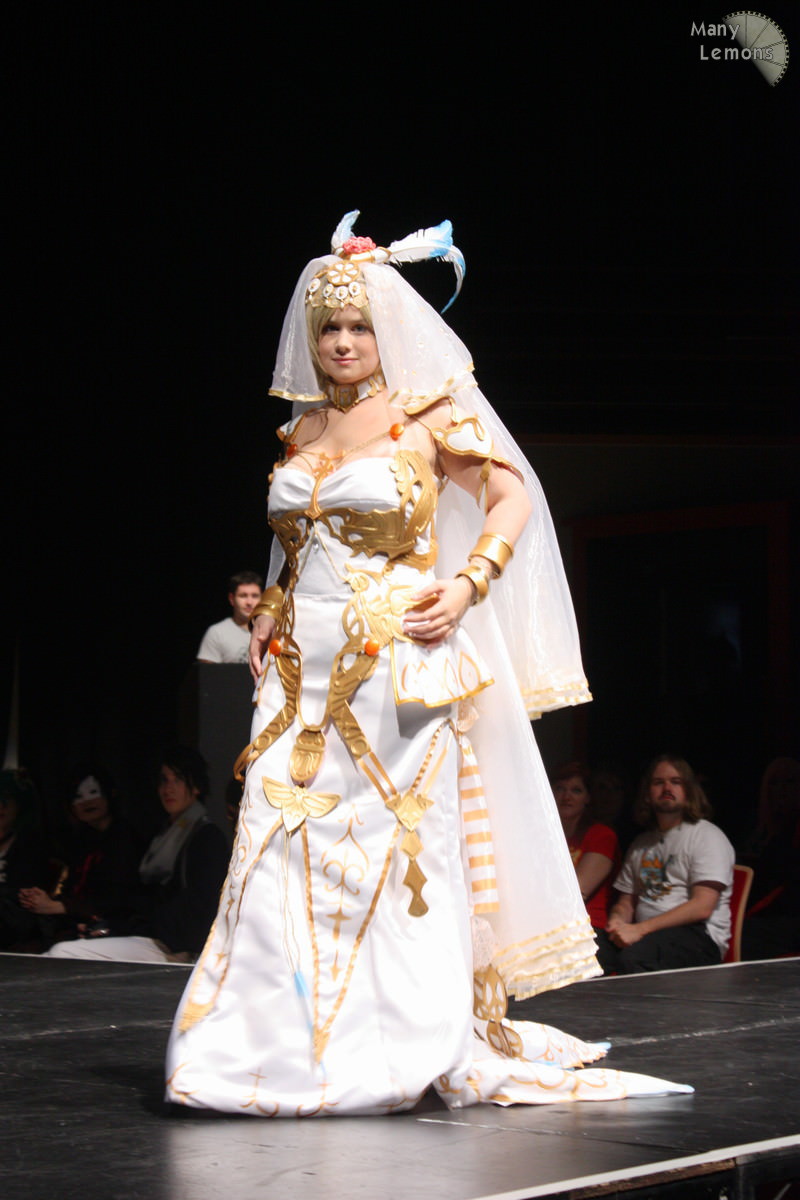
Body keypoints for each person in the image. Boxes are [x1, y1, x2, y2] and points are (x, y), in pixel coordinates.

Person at [165, 213, 691, 1114]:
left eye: (359, 325)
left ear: (388, 331)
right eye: (329, 327)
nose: (342, 342)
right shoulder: (302, 429)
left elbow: (510, 493)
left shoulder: (425, 413)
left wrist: (470, 582)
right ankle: (255, 1042)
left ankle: (398, 1036)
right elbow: (296, 542)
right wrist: (273, 609)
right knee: (278, 849)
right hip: (297, 674)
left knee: (396, 851)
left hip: (396, 664)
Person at [46, 747, 228, 963]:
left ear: (196, 786)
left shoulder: (205, 837)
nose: (168, 789)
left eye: (178, 780)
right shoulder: (161, 835)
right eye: (164, 780)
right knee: (60, 952)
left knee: (62, 954)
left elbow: (198, 908)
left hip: (177, 946)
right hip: (151, 936)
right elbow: (140, 900)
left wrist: (126, 926)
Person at [596, 754, 735, 974]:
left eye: (676, 782)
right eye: (658, 782)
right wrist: (618, 920)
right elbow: (627, 901)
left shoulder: (706, 835)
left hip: (697, 937)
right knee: (585, 952)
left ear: (689, 790)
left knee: (634, 958)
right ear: (647, 794)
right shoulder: (641, 844)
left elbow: (702, 906)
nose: (667, 788)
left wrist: (640, 929)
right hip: (646, 935)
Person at [19, 763, 142, 947]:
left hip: (116, 929)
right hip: (77, 924)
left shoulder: (124, 839)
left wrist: (58, 906)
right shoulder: (82, 841)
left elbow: (119, 899)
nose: (86, 802)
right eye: (78, 797)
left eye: (93, 792)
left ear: (110, 794)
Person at [551, 761, 620, 931]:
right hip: (547, 923)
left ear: (588, 797)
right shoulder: (544, 835)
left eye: (576, 790)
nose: (566, 796)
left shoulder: (601, 835)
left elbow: (576, 893)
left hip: (586, 927)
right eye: (560, 788)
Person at [0, 768, 50, 951]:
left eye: (6, 801)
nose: (1, 807)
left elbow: (24, 898)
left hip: (16, 923)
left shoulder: (30, 846)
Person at [196, 571, 264, 663]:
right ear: (232, 599)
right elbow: (207, 671)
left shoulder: (272, 631)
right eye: (243, 596)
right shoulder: (217, 633)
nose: (249, 602)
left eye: (255, 596)